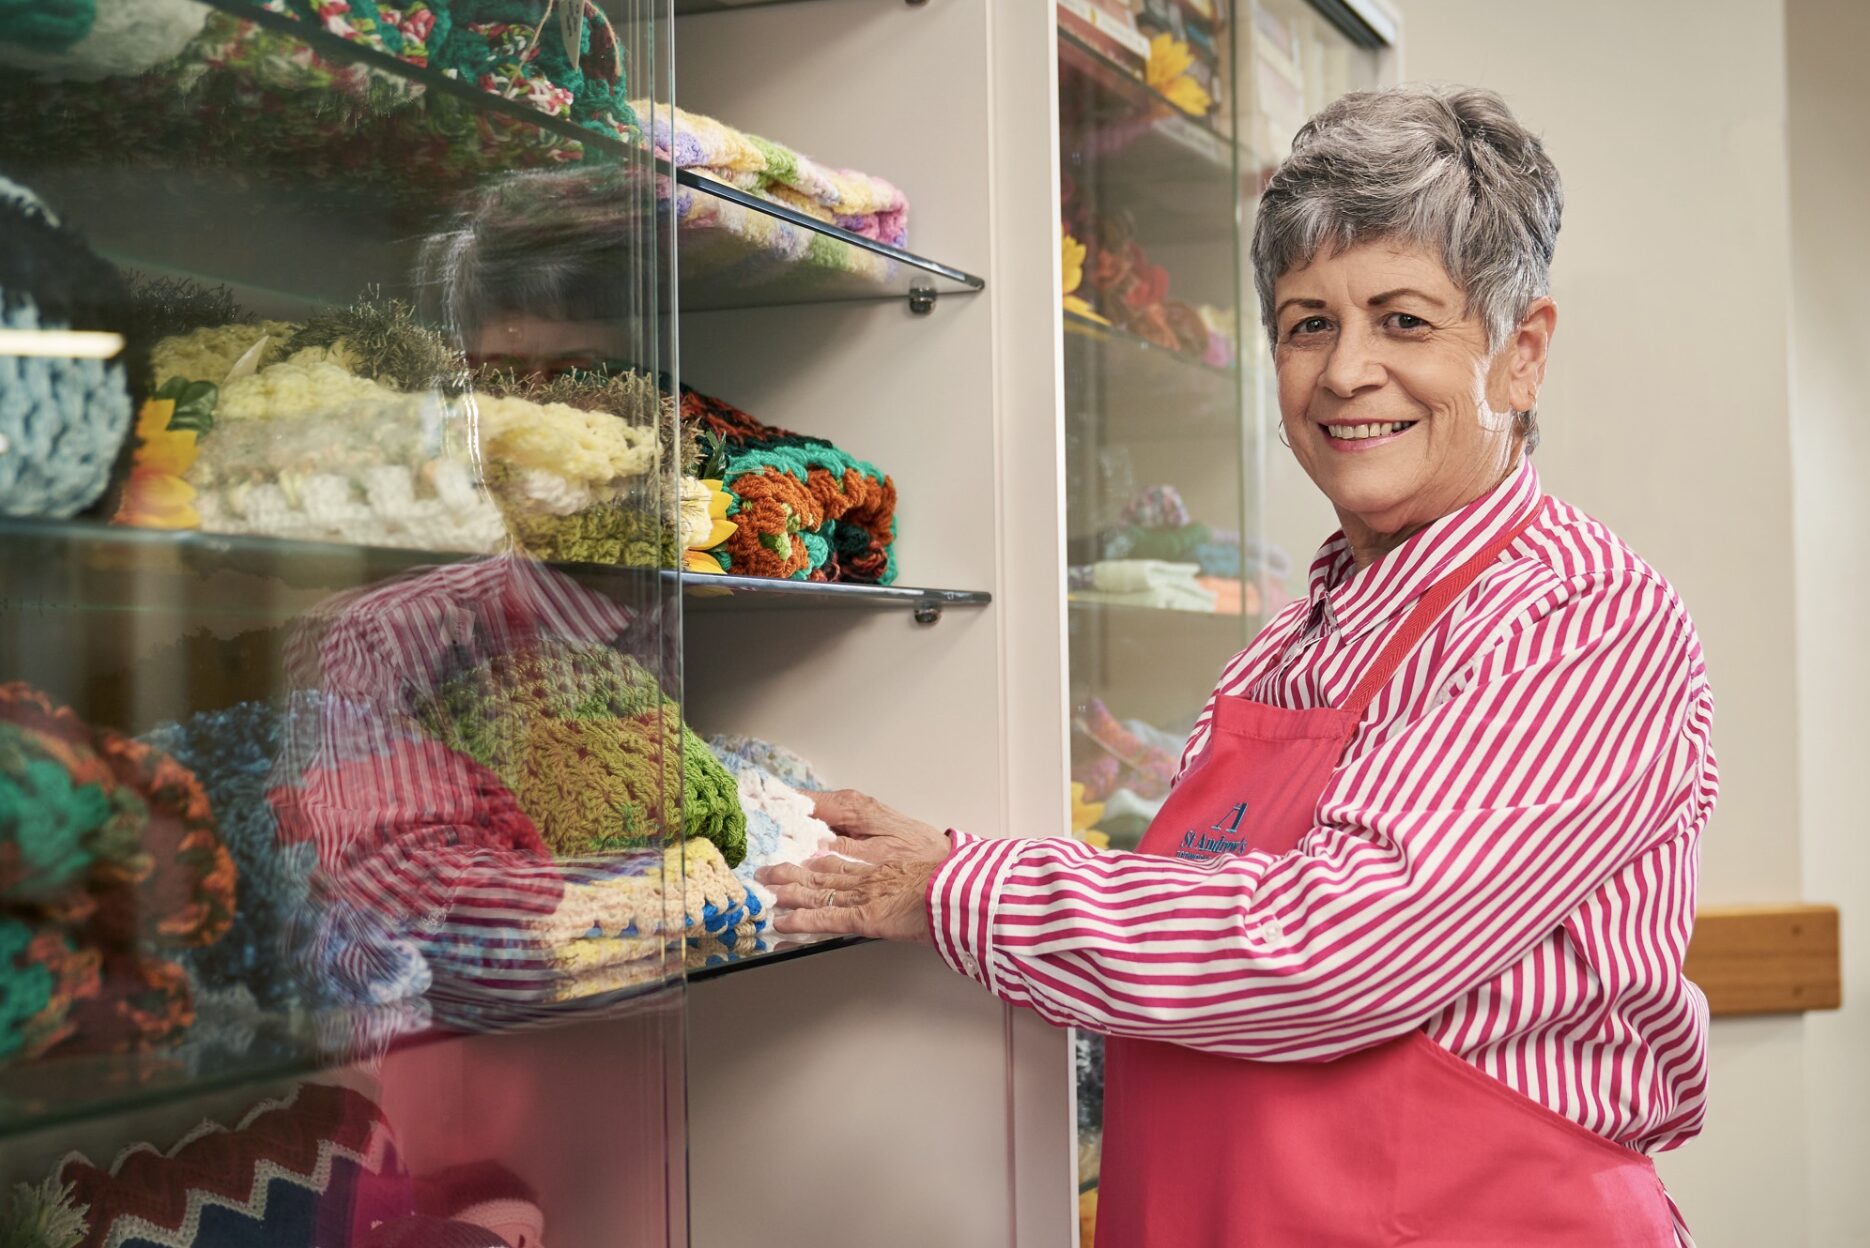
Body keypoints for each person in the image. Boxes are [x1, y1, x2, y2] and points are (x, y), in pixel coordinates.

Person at [760, 85, 1716, 1247]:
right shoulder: (1292, 636)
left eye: (1404, 321)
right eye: (1307, 322)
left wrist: (954, 885)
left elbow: (1333, 952)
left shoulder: (1576, 616)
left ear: (1520, 355)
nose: (1345, 372)